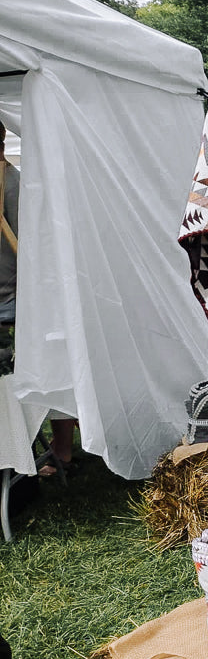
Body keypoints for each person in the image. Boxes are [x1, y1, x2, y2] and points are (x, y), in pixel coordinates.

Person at [0, 119, 77, 478]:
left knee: (48, 370)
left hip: (19, 298)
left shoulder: (15, 184)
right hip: (16, 296)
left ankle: (59, 451)